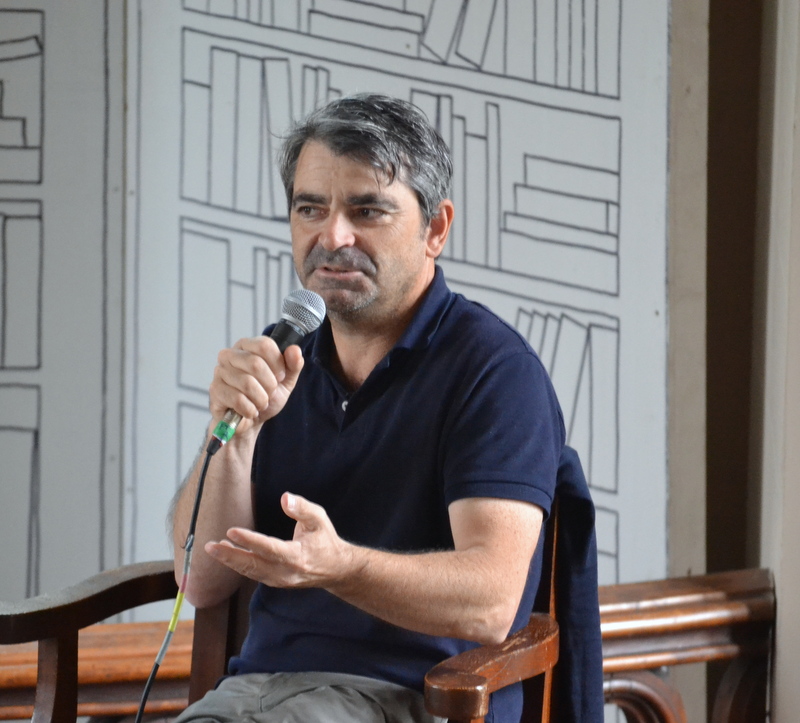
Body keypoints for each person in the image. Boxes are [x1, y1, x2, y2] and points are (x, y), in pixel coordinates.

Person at [170, 93, 566, 723]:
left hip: (409, 699)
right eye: (310, 208)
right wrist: (237, 433)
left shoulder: (494, 371)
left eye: (367, 210)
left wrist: (339, 567)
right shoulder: (281, 355)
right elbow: (201, 580)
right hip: (253, 695)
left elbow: (491, 603)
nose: (332, 236)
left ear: (435, 229)